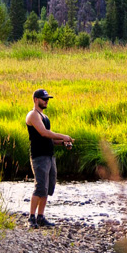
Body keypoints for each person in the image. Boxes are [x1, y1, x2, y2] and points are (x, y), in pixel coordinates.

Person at [25, 88, 73, 228]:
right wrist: (63, 136)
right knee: (40, 187)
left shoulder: (45, 117)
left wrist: (64, 143)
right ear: (35, 100)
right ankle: (31, 218)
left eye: (47, 99)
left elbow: (50, 140)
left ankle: (41, 217)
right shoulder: (33, 115)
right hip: (39, 157)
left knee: (47, 188)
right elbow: (44, 133)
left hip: (49, 156)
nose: (46, 101)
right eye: (43, 99)